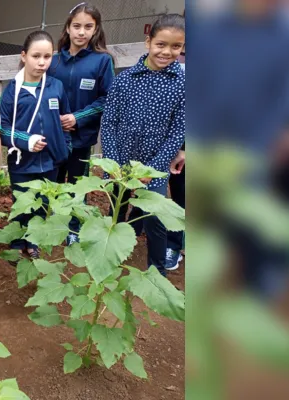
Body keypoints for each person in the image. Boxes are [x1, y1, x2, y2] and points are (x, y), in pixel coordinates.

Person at [101, 13, 185, 276]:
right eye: (161, 44)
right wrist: (113, 163)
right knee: (116, 210)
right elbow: (109, 123)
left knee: (155, 218)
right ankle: (108, 261)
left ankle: (156, 272)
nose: (167, 51)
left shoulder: (182, 84)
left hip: (154, 166)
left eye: (175, 46)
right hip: (121, 163)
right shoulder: (125, 79)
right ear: (148, 41)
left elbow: (178, 131)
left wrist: (154, 169)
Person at [0, 30, 71, 260]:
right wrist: (25, 141)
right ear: (23, 56)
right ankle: (18, 240)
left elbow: (65, 121)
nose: (42, 62)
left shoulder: (56, 87)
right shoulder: (12, 92)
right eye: (36, 56)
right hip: (22, 163)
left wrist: (64, 147)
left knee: (42, 204)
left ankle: (33, 242)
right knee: (21, 202)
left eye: (47, 57)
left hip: (50, 161)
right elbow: (1, 129)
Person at [49, 2, 114, 245]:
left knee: (78, 183)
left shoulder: (102, 61)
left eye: (88, 27)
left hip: (81, 137)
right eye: (76, 26)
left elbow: (107, 99)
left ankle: (74, 228)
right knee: (53, 181)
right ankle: (54, 223)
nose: (81, 32)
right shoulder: (53, 61)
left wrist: (78, 117)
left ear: (96, 29)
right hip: (53, 137)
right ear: (67, 28)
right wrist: (53, 120)